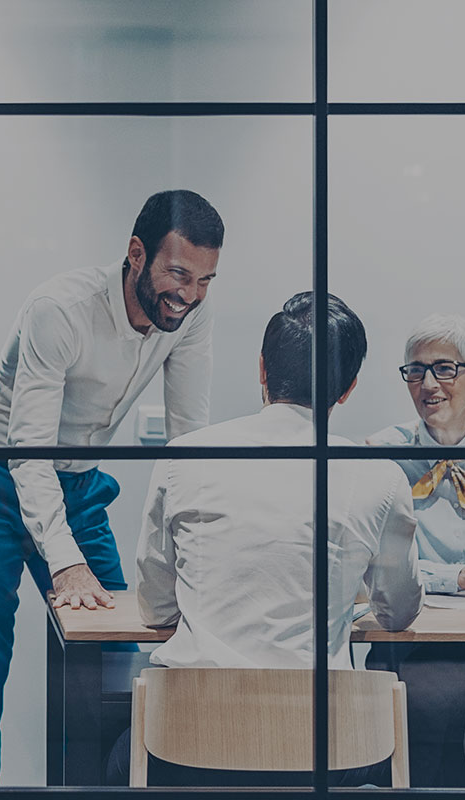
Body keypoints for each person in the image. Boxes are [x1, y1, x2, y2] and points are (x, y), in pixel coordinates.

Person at [0, 189, 222, 786]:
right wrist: (64, 564)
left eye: (204, 279)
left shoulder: (190, 316)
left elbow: (188, 442)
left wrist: (203, 551)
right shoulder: (59, 309)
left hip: (79, 481)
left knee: (115, 665)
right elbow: (28, 451)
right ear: (136, 254)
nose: (190, 294)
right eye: (178, 272)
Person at [105, 292, 422, 786]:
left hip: (189, 741)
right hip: (323, 748)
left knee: (117, 754)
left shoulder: (185, 455)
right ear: (348, 389)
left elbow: (155, 608)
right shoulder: (378, 476)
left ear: (262, 369)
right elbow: (399, 611)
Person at [361, 313, 465, 786]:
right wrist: (458, 578)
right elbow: (373, 566)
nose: (428, 383)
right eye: (416, 370)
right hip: (408, 646)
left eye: (444, 369)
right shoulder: (380, 452)